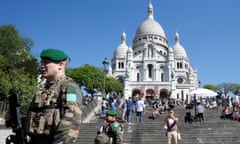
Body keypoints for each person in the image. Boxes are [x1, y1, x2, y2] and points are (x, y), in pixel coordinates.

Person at [5, 48, 83, 144]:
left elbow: (71, 122)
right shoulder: (44, 90)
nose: (41, 66)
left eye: (46, 63)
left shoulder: (69, 87)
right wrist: (13, 117)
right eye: (41, 62)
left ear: (61, 65)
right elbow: (32, 116)